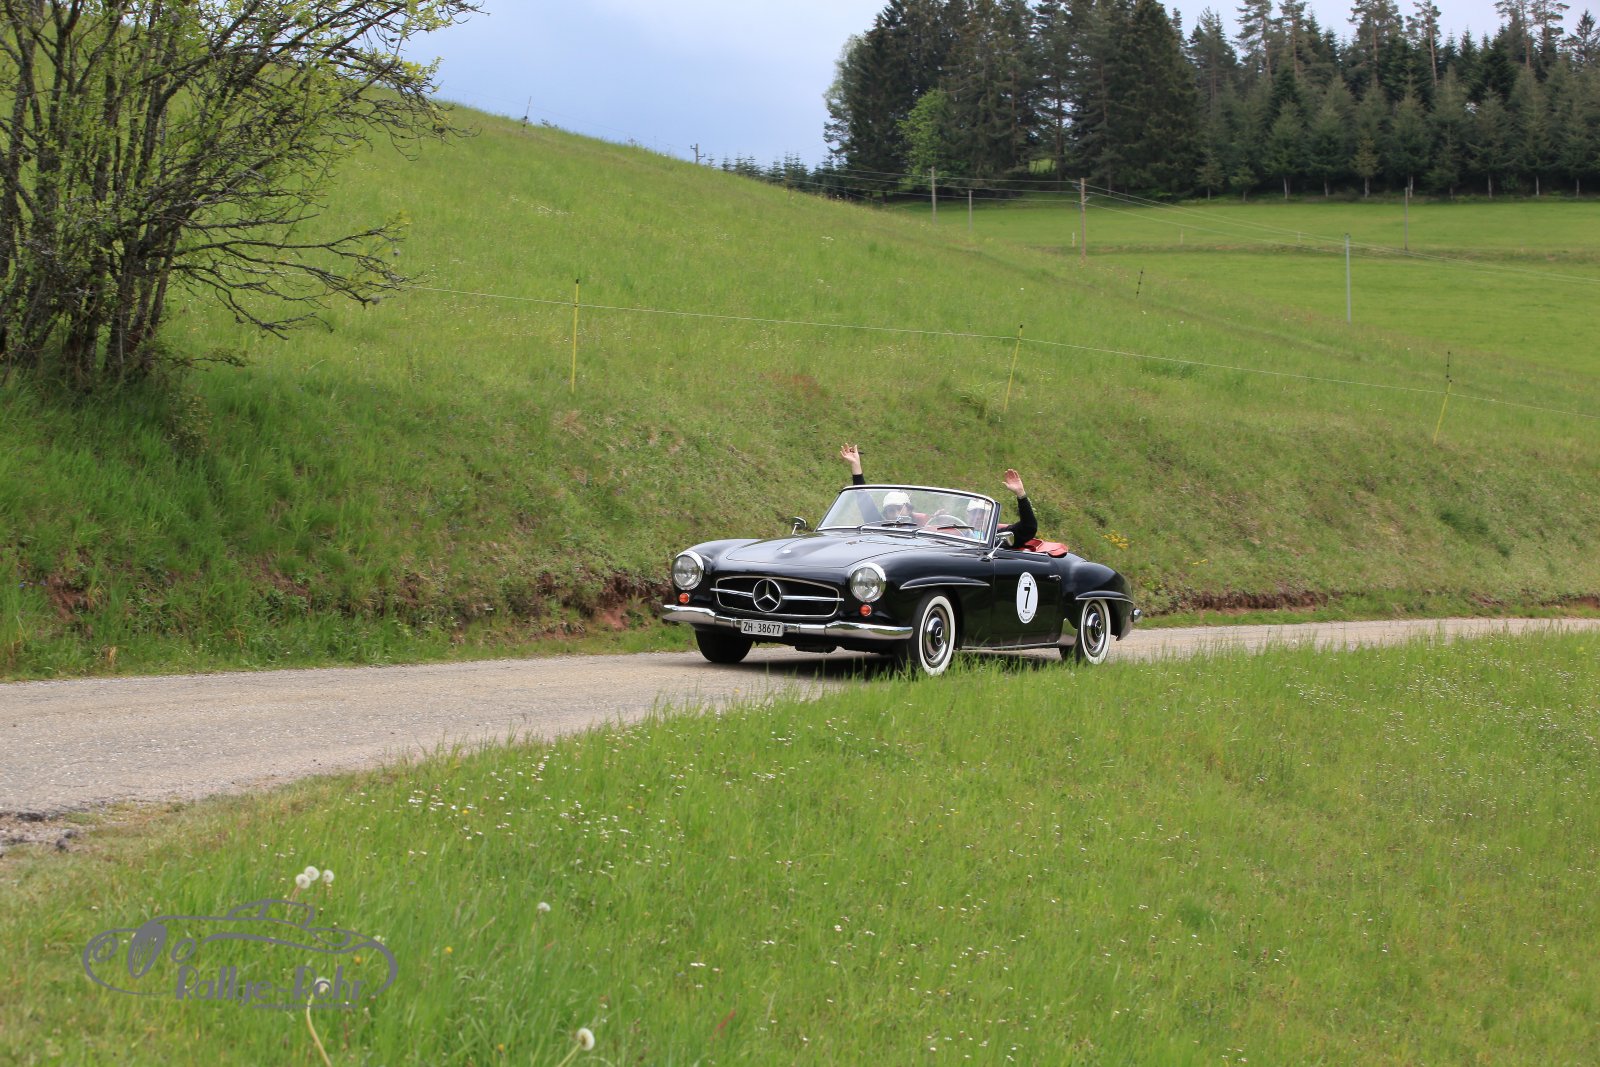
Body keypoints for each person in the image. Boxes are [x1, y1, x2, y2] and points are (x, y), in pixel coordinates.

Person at [839, 444, 1037, 546]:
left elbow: (1028, 529)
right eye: (890, 510)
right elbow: (865, 504)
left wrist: (1021, 494)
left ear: (909, 509)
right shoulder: (913, 529)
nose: (978, 517)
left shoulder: (993, 535)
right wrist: (856, 469)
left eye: (983, 514)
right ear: (967, 516)